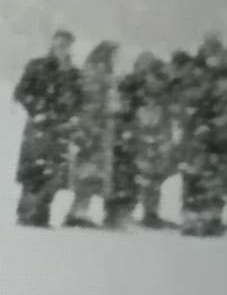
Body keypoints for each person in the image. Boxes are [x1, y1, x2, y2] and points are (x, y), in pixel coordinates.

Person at [13, 30, 80, 227]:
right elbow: (21, 92)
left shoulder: (73, 73)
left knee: (54, 173)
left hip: (60, 129)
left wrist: (70, 116)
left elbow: (79, 100)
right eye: (59, 44)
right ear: (52, 44)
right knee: (33, 171)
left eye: (66, 45)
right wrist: (38, 109)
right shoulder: (37, 67)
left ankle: (43, 213)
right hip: (39, 127)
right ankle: (26, 214)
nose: (62, 49)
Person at [109, 50, 177, 230]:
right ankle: (121, 213)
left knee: (153, 176)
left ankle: (150, 212)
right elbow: (122, 110)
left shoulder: (159, 88)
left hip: (151, 138)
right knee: (130, 177)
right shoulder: (130, 86)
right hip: (133, 138)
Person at [179, 35, 227, 237]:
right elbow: (188, 99)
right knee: (195, 179)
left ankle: (212, 218)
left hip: (219, 136)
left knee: (215, 179)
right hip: (197, 133)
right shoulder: (196, 72)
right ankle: (191, 220)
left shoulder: (225, 73)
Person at [63, 39, 120, 228]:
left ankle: (79, 211)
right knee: (88, 174)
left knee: (92, 175)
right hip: (93, 130)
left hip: (97, 130)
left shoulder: (99, 70)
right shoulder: (96, 71)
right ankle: (76, 212)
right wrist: (92, 127)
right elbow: (92, 101)